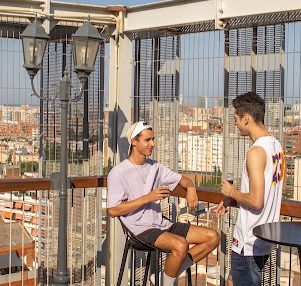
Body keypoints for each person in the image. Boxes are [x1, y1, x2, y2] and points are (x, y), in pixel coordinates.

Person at [108, 121, 220, 286]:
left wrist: (191, 188)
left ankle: (165, 277)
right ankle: (166, 282)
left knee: (213, 237)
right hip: (139, 229)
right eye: (147, 140)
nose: (152, 144)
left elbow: (183, 179)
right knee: (180, 245)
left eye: (153, 139)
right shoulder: (118, 173)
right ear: (133, 141)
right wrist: (148, 197)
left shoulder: (155, 167)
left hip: (161, 224)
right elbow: (113, 210)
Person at [215, 92, 284, 286]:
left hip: (248, 242)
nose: (235, 123)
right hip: (264, 238)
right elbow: (267, 192)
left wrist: (231, 192)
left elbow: (256, 201)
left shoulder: (255, 152)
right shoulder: (276, 147)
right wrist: (233, 198)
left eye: (236, 118)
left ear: (246, 118)